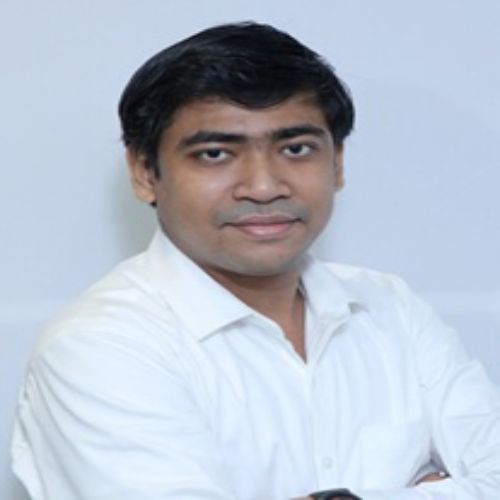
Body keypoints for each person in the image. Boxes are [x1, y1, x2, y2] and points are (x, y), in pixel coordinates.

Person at [11, 22, 500, 500]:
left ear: (337, 163)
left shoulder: (389, 307)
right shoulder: (100, 346)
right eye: (215, 154)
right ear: (144, 172)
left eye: (296, 148)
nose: (264, 187)